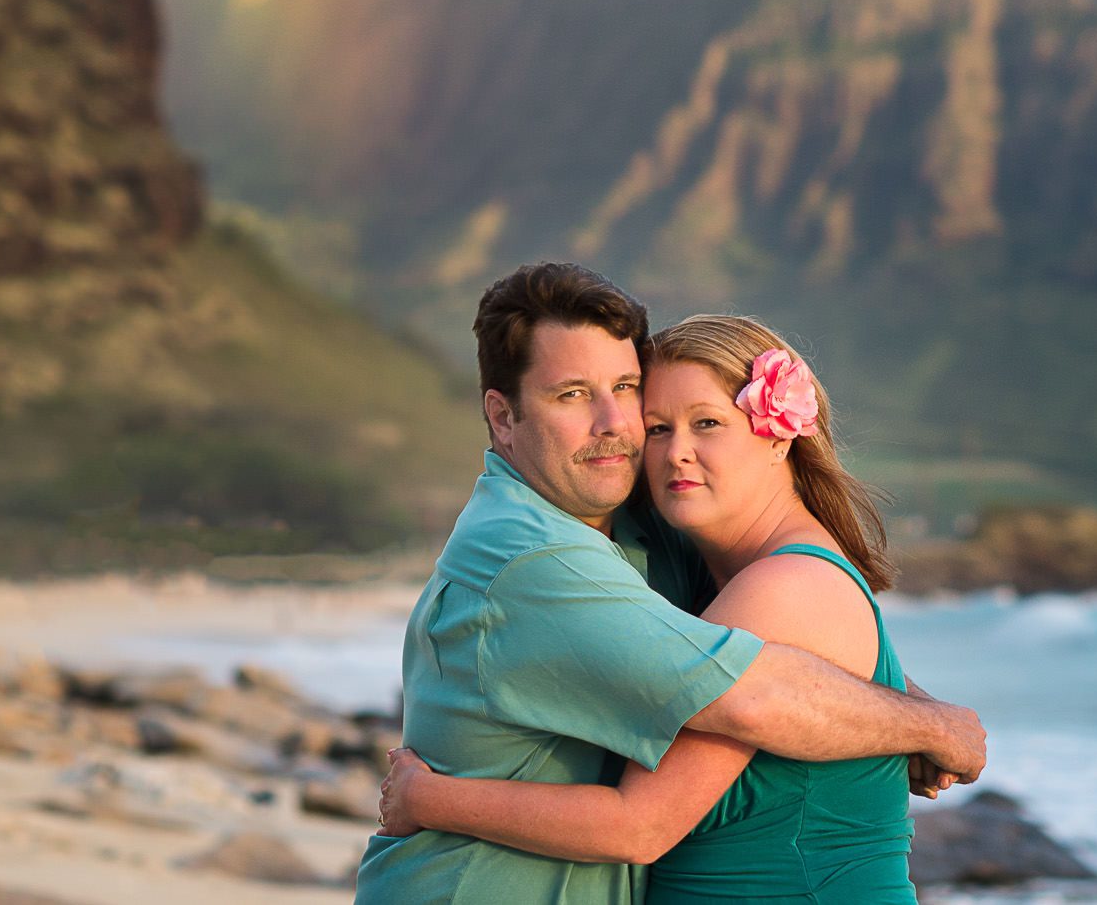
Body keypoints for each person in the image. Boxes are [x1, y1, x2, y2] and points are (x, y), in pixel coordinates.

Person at [354, 264, 982, 904]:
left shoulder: (670, 548)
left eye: (625, 389)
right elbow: (750, 701)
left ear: (779, 437)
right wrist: (932, 727)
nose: (616, 425)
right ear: (503, 415)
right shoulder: (546, 561)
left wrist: (912, 706)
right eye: (571, 394)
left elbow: (803, 653)